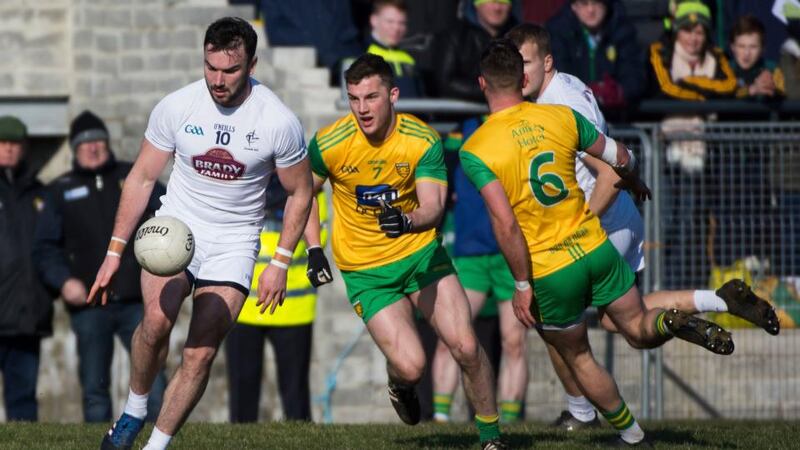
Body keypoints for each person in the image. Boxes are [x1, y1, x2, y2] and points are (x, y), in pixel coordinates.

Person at [462, 39, 736, 446]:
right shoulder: (560, 117)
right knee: (638, 325)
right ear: (522, 79)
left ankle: (631, 434)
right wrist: (635, 179)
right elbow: (622, 157)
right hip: (596, 245)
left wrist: (522, 285)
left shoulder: (476, 148)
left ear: (482, 83)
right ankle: (669, 320)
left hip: (552, 268)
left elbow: (505, 225)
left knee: (578, 356)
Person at [507, 22, 780, 430]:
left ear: (547, 61)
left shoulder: (560, 103)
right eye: (513, 66)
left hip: (601, 225)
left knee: (560, 320)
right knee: (625, 316)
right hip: (617, 219)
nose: (518, 74)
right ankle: (720, 300)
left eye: (525, 63)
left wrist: (576, 224)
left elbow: (610, 172)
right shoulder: (557, 89)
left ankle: (582, 413)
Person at [89, 17, 314, 450]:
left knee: (201, 351)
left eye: (229, 70)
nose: (217, 79)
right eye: (210, 67)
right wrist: (114, 252)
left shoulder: (278, 121)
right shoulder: (178, 106)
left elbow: (300, 193)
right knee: (155, 321)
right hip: (176, 225)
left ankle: (157, 446)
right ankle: (134, 411)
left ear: (252, 64)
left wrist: (280, 262)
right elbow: (140, 178)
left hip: (234, 240)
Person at [304, 53, 505, 450]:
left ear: (393, 94)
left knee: (465, 345)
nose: (362, 109)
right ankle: (400, 384)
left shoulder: (421, 139)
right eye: (354, 98)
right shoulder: (330, 143)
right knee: (413, 365)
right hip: (367, 272)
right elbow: (302, 195)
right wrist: (313, 248)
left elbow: (433, 205)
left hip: (421, 257)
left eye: (371, 97)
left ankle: (491, 438)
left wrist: (407, 221)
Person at [32, 111, 168, 423]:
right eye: (85, 143)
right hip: (89, 304)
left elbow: (169, 214)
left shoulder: (133, 178)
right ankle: (99, 440)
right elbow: (44, 249)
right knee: (95, 386)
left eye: (98, 141)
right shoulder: (59, 190)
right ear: (74, 149)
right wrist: (64, 282)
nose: (93, 147)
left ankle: (157, 439)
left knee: (153, 380)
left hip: (138, 300)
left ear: (107, 143)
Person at [430, 115, 529, 424]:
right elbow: (440, 174)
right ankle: (441, 418)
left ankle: (511, 422)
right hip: (470, 253)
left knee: (513, 342)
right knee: (451, 338)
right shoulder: (465, 124)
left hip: (509, 253)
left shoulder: (520, 124)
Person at [225, 179, 330, 423]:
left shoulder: (309, 189)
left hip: (293, 306)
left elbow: (318, 239)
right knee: (242, 395)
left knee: (295, 397)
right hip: (244, 306)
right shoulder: (243, 182)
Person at [0, 115, 54, 422]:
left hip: (26, 315)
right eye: (3, 143)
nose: (8, 150)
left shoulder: (41, 194)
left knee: (22, 400)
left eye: (14, 144)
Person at [547, 0, 645, 110]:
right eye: (584, 3)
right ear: (574, 6)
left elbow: (635, 75)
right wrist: (584, 92)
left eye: (596, 3)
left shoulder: (623, 30)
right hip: (572, 112)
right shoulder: (557, 32)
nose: (591, 10)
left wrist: (618, 91)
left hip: (617, 115)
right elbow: (557, 76)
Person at [434, 0, 516, 101]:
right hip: (463, 115)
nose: (497, 8)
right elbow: (445, 84)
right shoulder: (453, 37)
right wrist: (491, 91)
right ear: (476, 4)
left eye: (503, 2)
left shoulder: (520, 37)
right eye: (491, 1)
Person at [365, 0, 425, 98]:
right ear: (374, 20)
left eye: (402, 23)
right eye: (390, 21)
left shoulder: (409, 58)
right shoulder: (362, 55)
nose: (396, 28)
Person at [729, 15, 785, 99]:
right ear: (732, 47)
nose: (747, 53)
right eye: (741, 46)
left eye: (753, 47)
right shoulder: (723, 70)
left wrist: (773, 86)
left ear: (763, 49)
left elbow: (790, 94)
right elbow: (721, 95)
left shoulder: (773, 69)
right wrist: (751, 90)